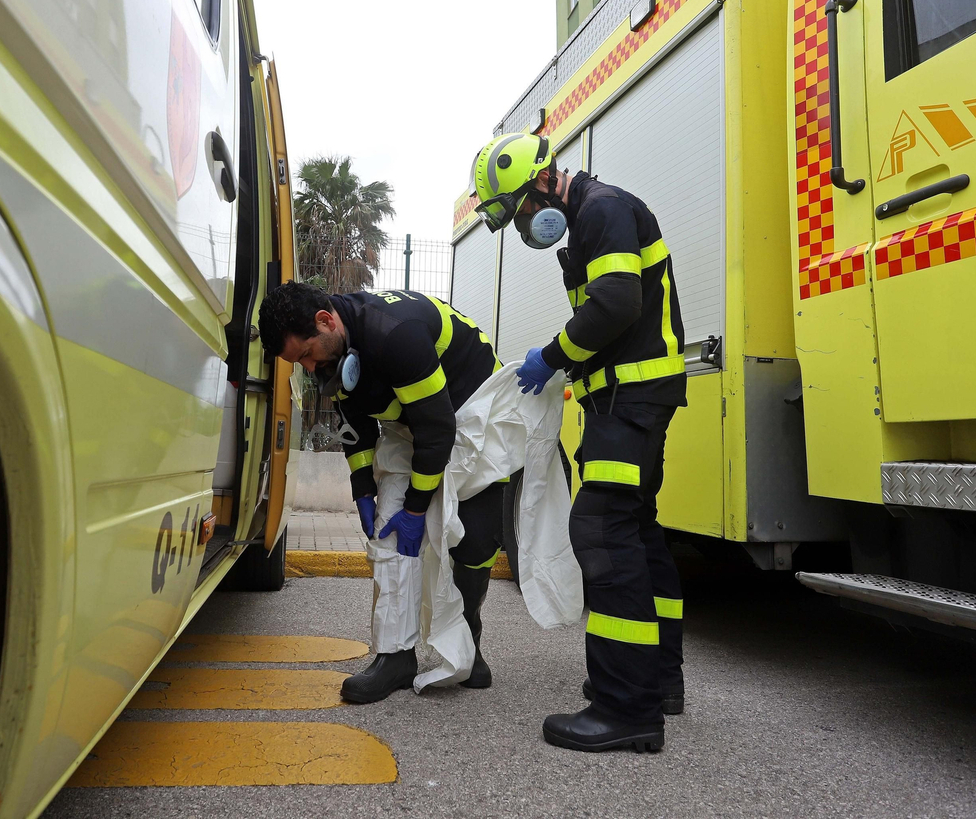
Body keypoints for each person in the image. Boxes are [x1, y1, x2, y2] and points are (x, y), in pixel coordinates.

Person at [469, 132, 686, 753]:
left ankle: (626, 708)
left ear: (540, 183)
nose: (522, 230)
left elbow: (617, 303)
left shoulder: (602, 210)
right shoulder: (594, 217)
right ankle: (657, 680)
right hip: (629, 398)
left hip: (631, 399)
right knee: (637, 531)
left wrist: (554, 357)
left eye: (519, 215)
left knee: (602, 530)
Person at [258, 281, 505, 703]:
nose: (309, 369)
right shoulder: (337, 348)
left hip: (475, 415)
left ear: (325, 321)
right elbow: (356, 426)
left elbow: (439, 431)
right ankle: (395, 658)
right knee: (389, 535)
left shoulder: (396, 335)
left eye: (305, 356)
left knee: (475, 542)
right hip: (418, 424)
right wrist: (363, 491)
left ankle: (469, 644)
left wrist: (416, 511)